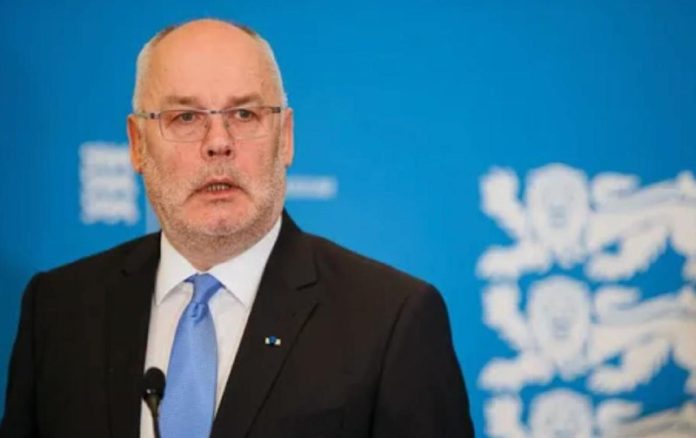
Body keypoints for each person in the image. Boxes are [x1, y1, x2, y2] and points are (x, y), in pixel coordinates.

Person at [1, 18, 474, 438]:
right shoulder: (59, 308)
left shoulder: (391, 319)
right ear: (138, 144)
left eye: (244, 114)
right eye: (185, 117)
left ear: (285, 138)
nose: (218, 143)